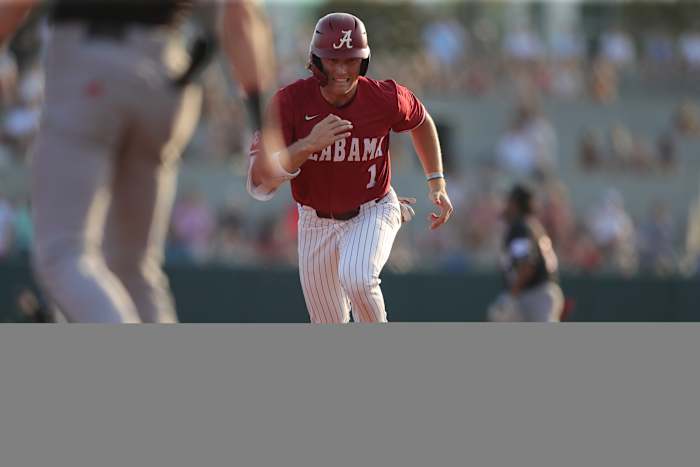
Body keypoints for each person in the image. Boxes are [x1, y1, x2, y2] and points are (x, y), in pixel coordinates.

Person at [0, 0, 284, 322]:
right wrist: (264, 128)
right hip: (167, 73)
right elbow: (241, 15)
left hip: (90, 61)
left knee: (63, 254)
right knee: (132, 266)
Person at [247, 12, 453, 323]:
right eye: (333, 60)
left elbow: (421, 121)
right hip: (314, 222)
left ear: (364, 61)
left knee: (358, 277)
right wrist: (308, 145)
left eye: (351, 60)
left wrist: (436, 182)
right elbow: (258, 179)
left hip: (372, 209)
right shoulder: (289, 103)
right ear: (315, 61)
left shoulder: (385, 98)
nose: (342, 70)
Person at [487, 184, 563, 322]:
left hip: (535, 294)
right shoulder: (532, 225)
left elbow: (527, 264)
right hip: (540, 292)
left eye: (508, 201)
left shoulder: (520, 227)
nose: (506, 206)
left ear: (515, 204)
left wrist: (511, 295)